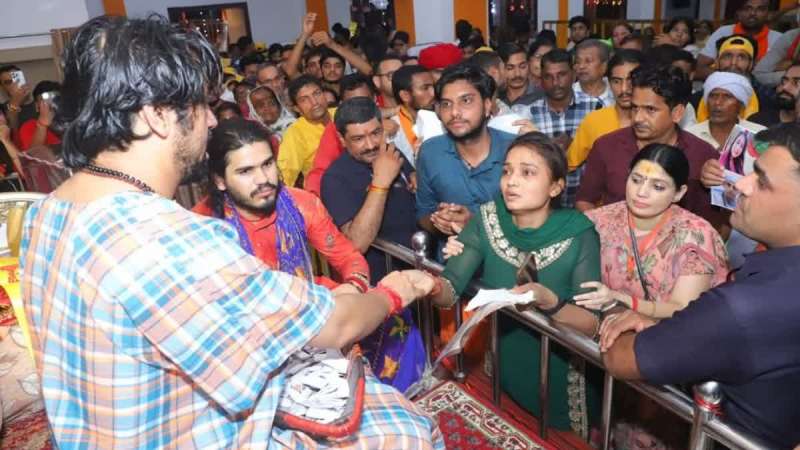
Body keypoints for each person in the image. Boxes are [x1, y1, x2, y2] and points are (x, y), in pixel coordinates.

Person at [19, 15, 443, 449]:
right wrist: (396, 290)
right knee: (408, 428)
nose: (210, 122)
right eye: (200, 106)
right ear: (157, 116)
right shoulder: (175, 242)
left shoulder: (48, 210)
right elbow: (334, 325)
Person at [601, 123, 800, 450]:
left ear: (678, 193)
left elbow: (620, 358)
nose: (742, 184)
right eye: (636, 180)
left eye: (762, 180)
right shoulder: (604, 219)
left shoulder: (744, 307)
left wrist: (615, 313)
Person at [432, 132, 603, 439]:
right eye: (507, 171)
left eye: (527, 173)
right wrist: (426, 284)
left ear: (555, 187)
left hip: (559, 380)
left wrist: (550, 302)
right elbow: (450, 288)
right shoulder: (489, 218)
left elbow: (592, 325)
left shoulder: (579, 233)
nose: (511, 181)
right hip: (500, 367)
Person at [192, 117, 370, 292]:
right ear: (220, 181)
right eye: (245, 171)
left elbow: (347, 257)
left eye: (267, 164)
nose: (263, 179)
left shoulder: (301, 204)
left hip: (308, 299)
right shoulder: (201, 226)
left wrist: (354, 288)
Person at [576, 144, 728, 317]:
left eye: (658, 187)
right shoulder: (597, 221)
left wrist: (619, 299)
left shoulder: (696, 236)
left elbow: (683, 309)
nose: (641, 192)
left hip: (668, 331)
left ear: (679, 193)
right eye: (636, 180)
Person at [576, 65, 722, 229]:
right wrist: (608, 235)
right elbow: (584, 201)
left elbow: (716, 225)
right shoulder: (607, 146)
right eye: (634, 108)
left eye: (650, 109)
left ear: (677, 113)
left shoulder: (703, 155)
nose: (638, 118)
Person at [415, 63, 516, 240]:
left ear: (487, 106)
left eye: (466, 101)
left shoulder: (516, 150)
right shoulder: (430, 152)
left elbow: (536, 221)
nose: (454, 112)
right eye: (446, 104)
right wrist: (442, 221)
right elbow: (423, 215)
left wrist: (475, 224)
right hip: (451, 255)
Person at [529, 49, 602, 208]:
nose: (556, 83)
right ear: (541, 79)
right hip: (545, 207)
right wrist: (549, 149)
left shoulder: (594, 107)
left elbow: (603, 156)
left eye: (562, 75)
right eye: (548, 77)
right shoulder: (530, 113)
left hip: (586, 206)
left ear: (574, 74)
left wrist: (577, 146)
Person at [567, 49, 643, 173]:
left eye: (631, 80)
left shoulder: (656, 121)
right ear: (609, 83)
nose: (624, 89)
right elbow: (568, 164)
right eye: (616, 81)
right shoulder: (594, 121)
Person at [695, 0, 782, 79]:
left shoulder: (778, 39)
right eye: (747, 8)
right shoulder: (724, 32)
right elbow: (699, 69)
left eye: (760, 9)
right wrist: (732, 80)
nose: (753, 13)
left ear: (768, 14)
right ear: (738, 12)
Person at [277, 75, 335, 187]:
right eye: (304, 99)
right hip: (322, 191)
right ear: (297, 108)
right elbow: (284, 176)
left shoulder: (341, 113)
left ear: (325, 94)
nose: (314, 102)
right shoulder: (295, 133)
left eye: (317, 93)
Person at [687, 72, 765, 152]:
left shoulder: (759, 135)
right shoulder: (689, 135)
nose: (717, 102)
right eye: (713, 96)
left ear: (741, 105)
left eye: (727, 96)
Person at [392, 65, 435, 161]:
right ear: (405, 96)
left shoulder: (442, 117)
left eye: (433, 86)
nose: (433, 93)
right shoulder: (393, 130)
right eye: (425, 88)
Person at [15, 80, 61, 151]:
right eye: (45, 100)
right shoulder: (29, 126)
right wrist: (42, 126)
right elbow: (32, 154)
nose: (50, 104)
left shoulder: (71, 120)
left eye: (54, 99)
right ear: (37, 106)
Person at [573, 39, 614, 107]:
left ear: (604, 66)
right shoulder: (567, 95)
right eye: (578, 62)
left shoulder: (616, 91)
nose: (581, 66)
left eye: (588, 61)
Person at [0, 65, 35, 131]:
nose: (14, 84)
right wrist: (14, 105)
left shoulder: (40, 103)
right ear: (2, 87)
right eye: (8, 82)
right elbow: (10, 134)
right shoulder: (2, 110)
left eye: (17, 79)